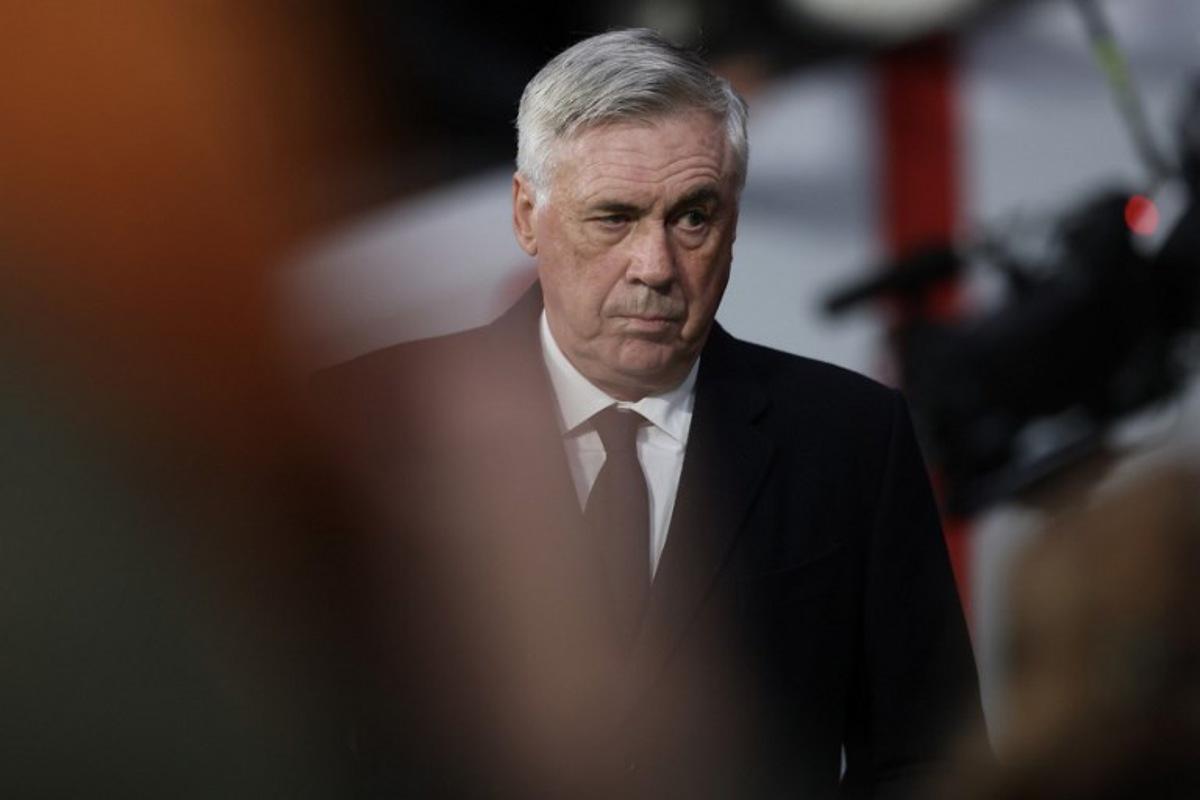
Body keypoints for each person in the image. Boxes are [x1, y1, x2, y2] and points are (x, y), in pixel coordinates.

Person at [318, 27, 982, 799]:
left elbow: (935, 761)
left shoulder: (851, 438)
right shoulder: (377, 424)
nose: (655, 267)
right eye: (614, 217)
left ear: (733, 225)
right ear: (527, 215)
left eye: (693, 217)